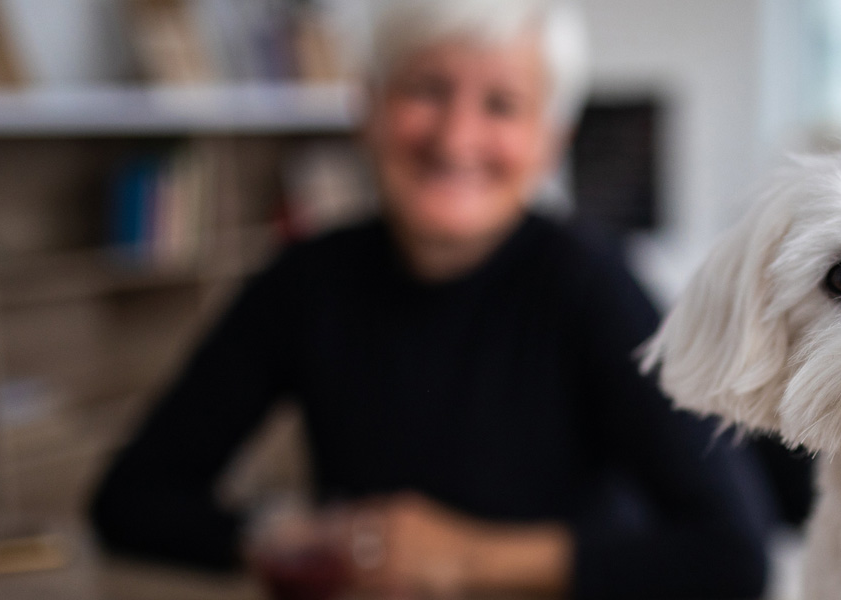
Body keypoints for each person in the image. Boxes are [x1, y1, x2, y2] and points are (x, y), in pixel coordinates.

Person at [89, 1, 772, 598]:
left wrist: (462, 558)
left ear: (548, 141)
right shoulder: (303, 280)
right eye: (426, 89)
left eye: (501, 103)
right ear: (370, 107)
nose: (455, 138)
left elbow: (734, 554)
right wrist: (283, 535)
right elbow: (129, 500)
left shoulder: (591, 282)